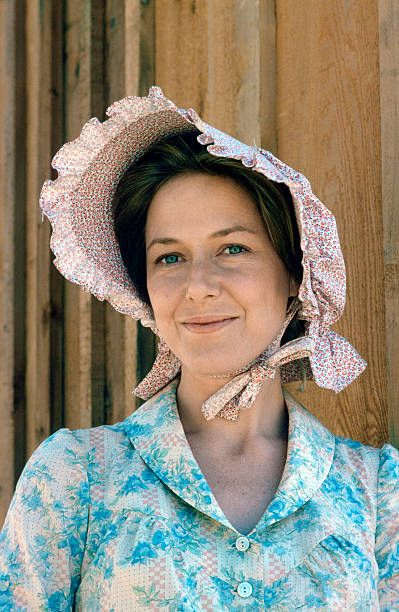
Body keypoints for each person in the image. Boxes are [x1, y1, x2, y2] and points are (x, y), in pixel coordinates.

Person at [0, 86, 398, 610]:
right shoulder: (75, 476)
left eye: (233, 248)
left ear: (298, 273)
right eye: (169, 258)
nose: (198, 286)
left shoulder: (377, 493)